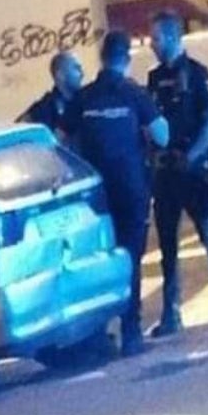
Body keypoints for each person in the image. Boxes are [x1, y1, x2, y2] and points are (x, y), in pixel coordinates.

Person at [64, 31, 170, 356]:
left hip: (96, 196)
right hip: (130, 190)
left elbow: (62, 142)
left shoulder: (83, 98)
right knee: (130, 261)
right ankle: (131, 332)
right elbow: (163, 136)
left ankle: (97, 335)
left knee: (95, 262)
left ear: (102, 58)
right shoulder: (134, 94)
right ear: (126, 59)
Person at [146, 12, 208, 335]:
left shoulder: (197, 74)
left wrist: (193, 154)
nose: (152, 43)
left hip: (193, 171)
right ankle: (171, 314)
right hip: (167, 173)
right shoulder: (154, 78)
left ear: (171, 37)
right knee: (167, 246)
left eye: (155, 37)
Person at [19, 51, 84, 131]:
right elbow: (18, 128)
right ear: (60, 75)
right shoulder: (44, 108)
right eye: (76, 68)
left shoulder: (88, 100)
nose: (82, 73)